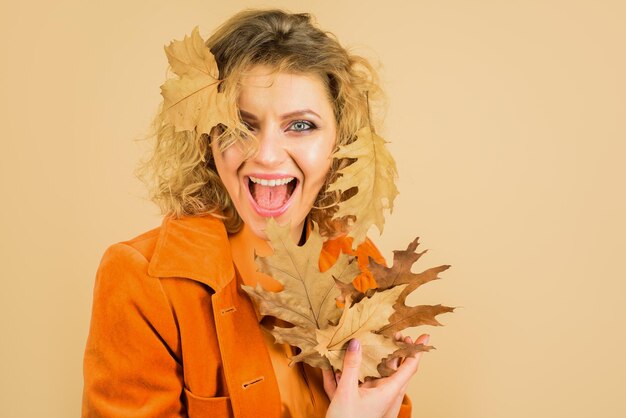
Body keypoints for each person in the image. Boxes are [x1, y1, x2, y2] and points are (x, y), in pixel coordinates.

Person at [82, 9, 429, 418]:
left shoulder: (357, 260)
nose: (265, 155)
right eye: (240, 125)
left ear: (341, 140)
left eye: (300, 125)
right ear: (207, 139)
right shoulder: (141, 279)